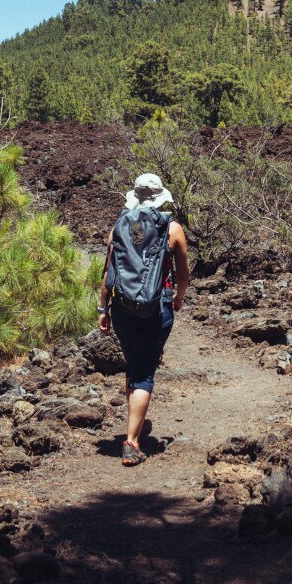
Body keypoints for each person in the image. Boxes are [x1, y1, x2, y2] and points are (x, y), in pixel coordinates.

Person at [98, 173, 189, 466]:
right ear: (161, 197)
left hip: (122, 308)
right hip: (157, 307)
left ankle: (133, 424)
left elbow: (108, 273)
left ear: (134, 197)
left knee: (134, 364)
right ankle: (132, 442)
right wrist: (178, 297)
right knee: (144, 373)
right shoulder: (173, 229)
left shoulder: (119, 227)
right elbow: (183, 275)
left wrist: (103, 308)